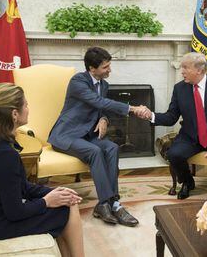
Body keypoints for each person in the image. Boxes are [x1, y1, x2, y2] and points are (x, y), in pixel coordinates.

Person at [0, 83, 84, 257]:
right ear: (14, 114)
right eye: (25, 105)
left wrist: (54, 192)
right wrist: (47, 201)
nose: (28, 108)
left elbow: (22, 187)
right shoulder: (4, 154)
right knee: (68, 208)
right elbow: (15, 212)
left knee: (65, 199)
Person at [48, 47, 144, 227]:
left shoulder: (104, 85)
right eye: (105, 67)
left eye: (109, 65)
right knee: (94, 151)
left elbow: (101, 108)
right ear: (92, 68)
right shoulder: (78, 81)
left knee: (112, 147)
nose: (110, 70)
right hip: (66, 135)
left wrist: (104, 118)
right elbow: (98, 101)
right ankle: (110, 203)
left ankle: (109, 204)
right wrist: (131, 108)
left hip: (88, 134)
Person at [137, 52, 207, 199]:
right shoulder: (180, 89)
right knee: (174, 154)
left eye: (185, 67)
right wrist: (151, 115)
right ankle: (187, 182)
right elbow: (171, 116)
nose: (182, 71)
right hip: (192, 135)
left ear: (199, 70)